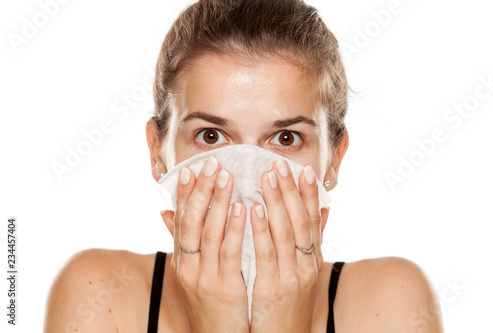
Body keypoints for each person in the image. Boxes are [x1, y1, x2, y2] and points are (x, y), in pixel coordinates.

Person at [43, 0, 444, 332]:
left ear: (334, 159)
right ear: (157, 152)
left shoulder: (393, 300)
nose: (248, 176)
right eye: (211, 136)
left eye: (286, 138)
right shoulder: (96, 294)